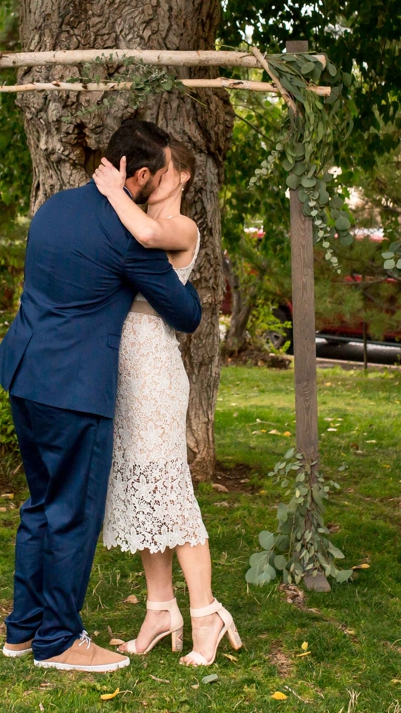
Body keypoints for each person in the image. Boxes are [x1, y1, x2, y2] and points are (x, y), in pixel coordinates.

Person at [0, 118, 202, 673]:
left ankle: (23, 631)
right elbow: (185, 315)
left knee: (39, 506)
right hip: (75, 390)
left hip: (24, 375)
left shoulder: (54, 208)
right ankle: (59, 639)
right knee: (74, 515)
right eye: (159, 178)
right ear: (145, 174)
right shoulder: (125, 236)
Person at [93, 143, 241, 667]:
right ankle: (160, 609)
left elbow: (150, 235)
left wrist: (112, 191)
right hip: (120, 364)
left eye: (164, 166)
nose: (152, 174)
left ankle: (206, 616)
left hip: (155, 366)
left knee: (168, 492)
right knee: (137, 491)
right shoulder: (124, 219)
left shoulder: (183, 227)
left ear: (181, 176)